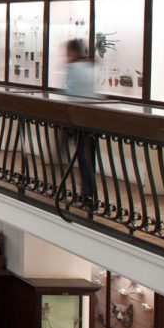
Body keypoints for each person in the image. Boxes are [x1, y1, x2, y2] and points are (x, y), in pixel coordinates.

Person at [64, 38, 98, 207]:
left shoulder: (74, 68)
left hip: (77, 118)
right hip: (90, 118)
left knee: (82, 155)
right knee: (86, 155)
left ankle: (85, 192)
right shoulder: (89, 67)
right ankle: (88, 192)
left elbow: (70, 92)